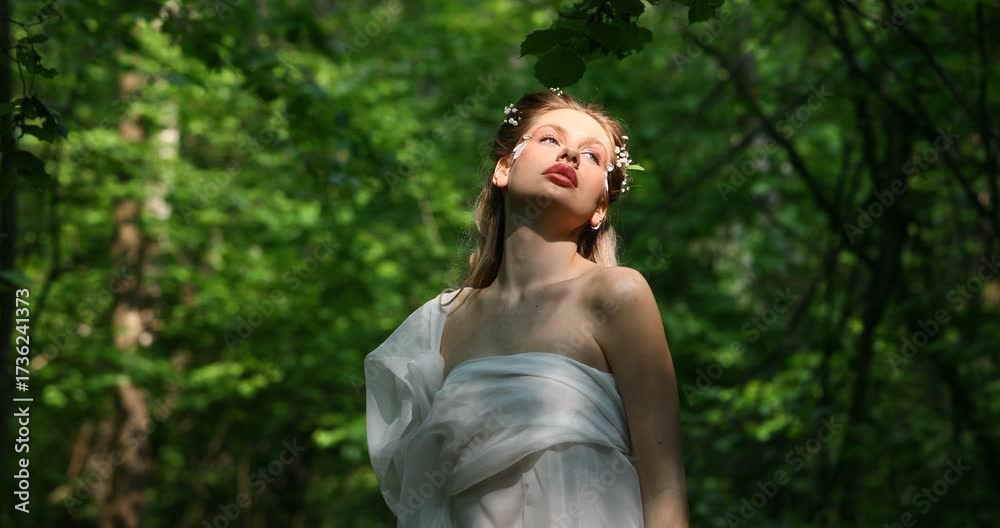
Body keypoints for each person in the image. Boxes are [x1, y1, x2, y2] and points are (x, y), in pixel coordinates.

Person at [365, 88, 688, 527]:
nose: (570, 154)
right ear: (504, 168)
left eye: (593, 156)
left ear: (600, 208)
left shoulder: (617, 295)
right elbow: (426, 496)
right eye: (550, 139)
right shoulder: (442, 322)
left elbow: (665, 486)